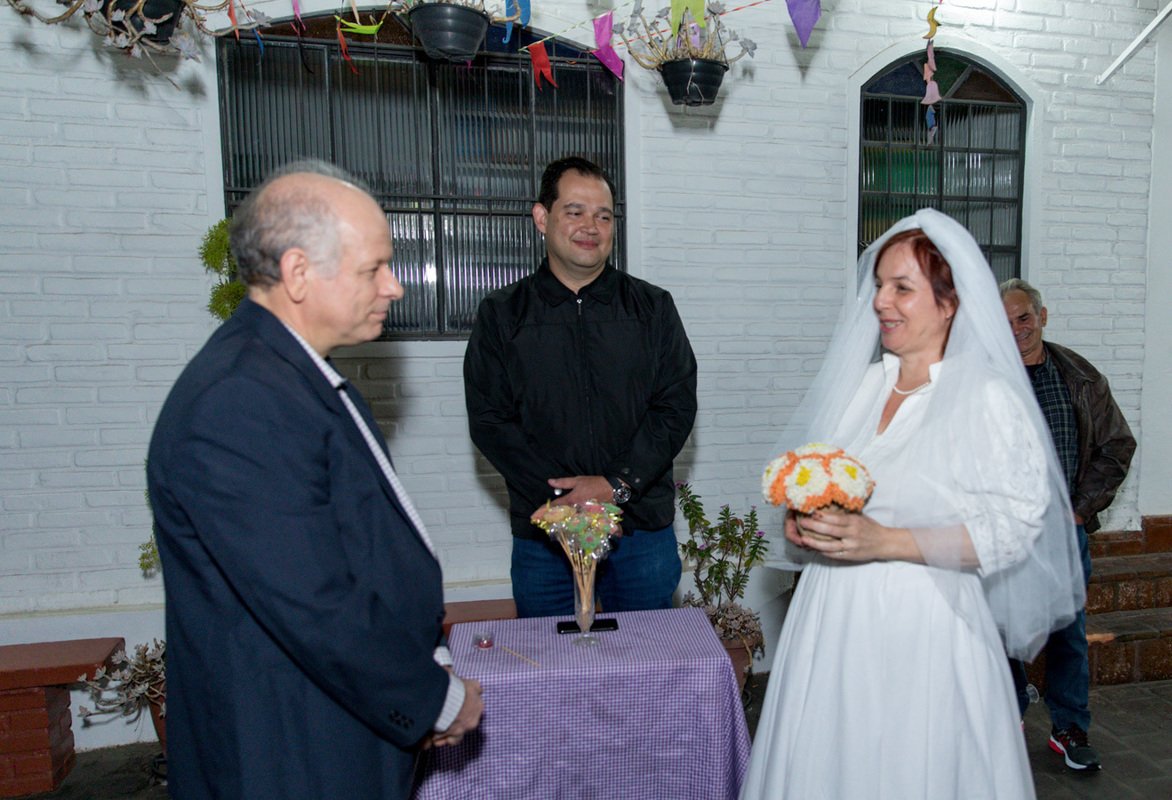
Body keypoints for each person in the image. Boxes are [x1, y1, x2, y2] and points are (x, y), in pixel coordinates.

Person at [147, 161, 482, 798]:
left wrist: (425, 656)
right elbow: (312, 601)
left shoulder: (288, 376)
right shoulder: (238, 401)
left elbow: (361, 549)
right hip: (289, 750)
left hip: (328, 727)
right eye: (373, 269)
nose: (394, 287)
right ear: (298, 272)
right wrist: (432, 698)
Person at [742, 210, 1086, 799]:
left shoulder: (985, 397)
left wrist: (885, 541)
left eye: (902, 287)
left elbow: (1011, 530)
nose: (881, 301)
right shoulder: (865, 385)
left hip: (924, 626)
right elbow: (832, 480)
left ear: (950, 303)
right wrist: (806, 520)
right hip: (831, 618)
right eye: (880, 285)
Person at [463, 156, 697, 618]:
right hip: (544, 537)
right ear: (542, 217)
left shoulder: (653, 308)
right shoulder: (503, 314)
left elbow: (674, 406)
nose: (591, 226)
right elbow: (491, 421)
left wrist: (616, 484)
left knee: (647, 657)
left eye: (603, 216)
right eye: (575, 212)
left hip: (639, 532)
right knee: (549, 659)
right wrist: (565, 502)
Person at [1000, 277, 1136, 771]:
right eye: (1006, 321)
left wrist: (1079, 509)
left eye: (1024, 317)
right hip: (1003, 532)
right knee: (997, 624)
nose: (1017, 329)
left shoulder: (1080, 376)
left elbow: (1117, 445)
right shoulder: (985, 378)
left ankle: (1069, 727)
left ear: (1042, 317)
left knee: (1067, 630)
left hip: (1062, 531)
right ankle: (1008, 710)